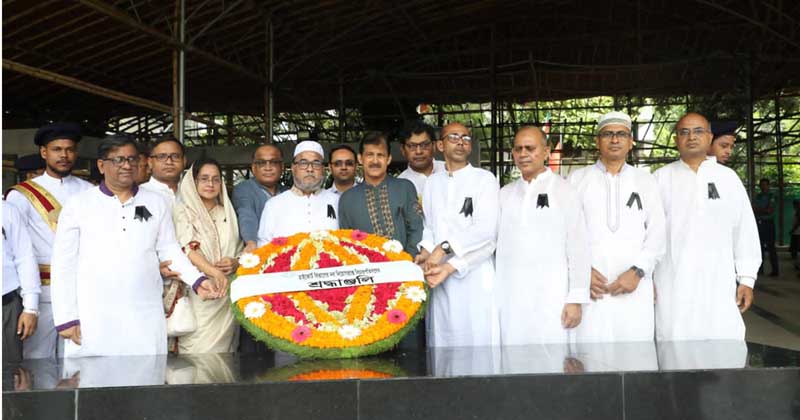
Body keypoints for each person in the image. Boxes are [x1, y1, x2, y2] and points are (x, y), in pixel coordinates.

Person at [50, 135, 221, 357]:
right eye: (118, 160)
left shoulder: (154, 202)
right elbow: (63, 264)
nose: (126, 165)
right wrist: (66, 318)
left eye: (132, 159)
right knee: (95, 376)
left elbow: (169, 249)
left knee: (146, 373)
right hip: (94, 315)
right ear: (101, 165)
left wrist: (197, 280)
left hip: (144, 314)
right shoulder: (79, 205)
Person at [653, 112, 761, 341]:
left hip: (719, 285)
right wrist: (647, 280)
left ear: (709, 137)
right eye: (684, 132)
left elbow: (745, 231)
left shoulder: (728, 179)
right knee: (675, 347)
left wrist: (747, 279)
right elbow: (648, 235)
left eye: (698, 131)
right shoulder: (660, 179)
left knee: (723, 347)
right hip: (673, 285)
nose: (691, 137)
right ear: (676, 140)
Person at [568, 111, 666, 343]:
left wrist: (638, 271)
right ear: (597, 141)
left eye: (621, 134)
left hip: (635, 287)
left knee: (635, 353)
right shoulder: (576, 180)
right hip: (592, 288)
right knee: (590, 353)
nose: (614, 140)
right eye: (607, 134)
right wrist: (582, 272)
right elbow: (565, 233)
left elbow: (658, 232)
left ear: (630, 142)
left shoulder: (646, 181)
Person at [5, 122, 93, 359]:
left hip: (80, 290)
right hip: (41, 291)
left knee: (76, 360)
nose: (64, 155)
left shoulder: (89, 191)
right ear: (44, 153)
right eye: (57, 149)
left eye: (69, 149)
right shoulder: (21, 195)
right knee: (36, 359)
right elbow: (15, 250)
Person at [495, 126, 590, 344]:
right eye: (518, 149)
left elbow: (578, 247)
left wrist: (576, 298)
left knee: (552, 356)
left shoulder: (564, 190)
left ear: (546, 151)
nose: (523, 154)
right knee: (512, 353)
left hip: (552, 298)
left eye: (530, 148)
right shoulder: (505, 194)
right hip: (511, 298)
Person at [416, 122, 499, 347]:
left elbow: (486, 232)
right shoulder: (433, 183)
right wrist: (425, 252)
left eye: (466, 138)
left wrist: (443, 251)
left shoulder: (484, 179)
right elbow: (430, 226)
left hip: (474, 276)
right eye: (453, 137)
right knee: (444, 342)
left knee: (477, 343)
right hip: (439, 278)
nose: (461, 142)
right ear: (440, 145)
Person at [173, 158, 242, 354]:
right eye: (204, 179)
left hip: (226, 296)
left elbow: (240, 249)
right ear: (193, 182)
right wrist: (214, 272)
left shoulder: (228, 213)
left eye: (215, 179)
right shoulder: (183, 212)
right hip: (199, 292)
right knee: (197, 353)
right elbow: (188, 249)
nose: (210, 184)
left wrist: (235, 262)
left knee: (225, 355)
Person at [338, 132, 423, 255]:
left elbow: (416, 229)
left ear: (388, 159)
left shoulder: (404, 188)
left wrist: (408, 260)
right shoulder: (348, 199)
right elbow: (347, 242)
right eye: (369, 155)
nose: (375, 161)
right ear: (360, 159)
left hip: (406, 263)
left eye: (380, 155)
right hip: (366, 265)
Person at [257, 141, 339, 245]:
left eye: (316, 163)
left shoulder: (337, 201)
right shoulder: (274, 205)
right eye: (303, 163)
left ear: (323, 169)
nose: (310, 169)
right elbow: (264, 246)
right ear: (293, 167)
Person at [2, 200, 41, 364]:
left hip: (6, 307)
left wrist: (31, 308)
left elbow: (25, 258)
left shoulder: (7, 211)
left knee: (9, 371)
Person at [233, 145, 286, 253]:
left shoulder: (288, 192)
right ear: (253, 168)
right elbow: (247, 215)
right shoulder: (244, 189)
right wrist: (251, 242)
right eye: (262, 163)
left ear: (282, 167)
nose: (268, 168)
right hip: (260, 252)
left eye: (274, 162)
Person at [398, 120, 446, 203]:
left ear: (434, 146)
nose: (419, 151)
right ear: (403, 150)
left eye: (424, 145)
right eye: (412, 146)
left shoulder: (449, 170)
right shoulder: (400, 185)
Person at [139, 136, 186, 208]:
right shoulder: (139, 195)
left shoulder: (193, 193)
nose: (169, 162)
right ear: (150, 162)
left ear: (184, 161)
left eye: (175, 156)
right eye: (161, 157)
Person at [754, 178, 779, 276]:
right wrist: (763, 210)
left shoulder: (772, 196)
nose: (763, 187)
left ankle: (775, 270)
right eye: (762, 185)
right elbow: (753, 208)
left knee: (771, 247)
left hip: (768, 223)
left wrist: (759, 210)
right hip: (759, 223)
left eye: (765, 185)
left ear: (768, 186)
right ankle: (760, 269)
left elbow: (770, 210)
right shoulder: (758, 196)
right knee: (759, 247)